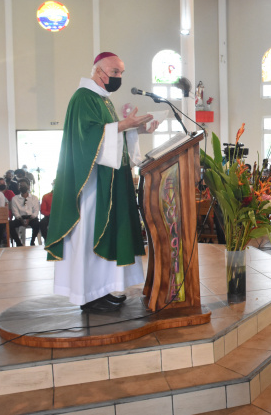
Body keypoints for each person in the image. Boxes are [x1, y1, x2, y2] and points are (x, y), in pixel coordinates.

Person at [45, 52, 159, 314]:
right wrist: (122, 125)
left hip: (107, 181)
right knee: (89, 235)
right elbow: (89, 135)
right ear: (98, 71)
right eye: (115, 72)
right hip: (91, 184)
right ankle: (88, 294)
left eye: (121, 72)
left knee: (105, 231)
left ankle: (102, 289)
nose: (119, 77)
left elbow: (110, 133)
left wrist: (135, 128)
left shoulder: (102, 100)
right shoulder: (83, 97)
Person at [10, 178, 40, 246]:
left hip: (31, 217)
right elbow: (15, 211)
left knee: (37, 224)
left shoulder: (34, 198)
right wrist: (21, 219)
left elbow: (36, 211)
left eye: (24, 185)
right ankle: (19, 243)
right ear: (18, 187)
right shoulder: (15, 198)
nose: (22, 187)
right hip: (20, 218)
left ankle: (32, 241)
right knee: (10, 225)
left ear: (28, 186)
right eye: (20, 185)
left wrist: (29, 219)